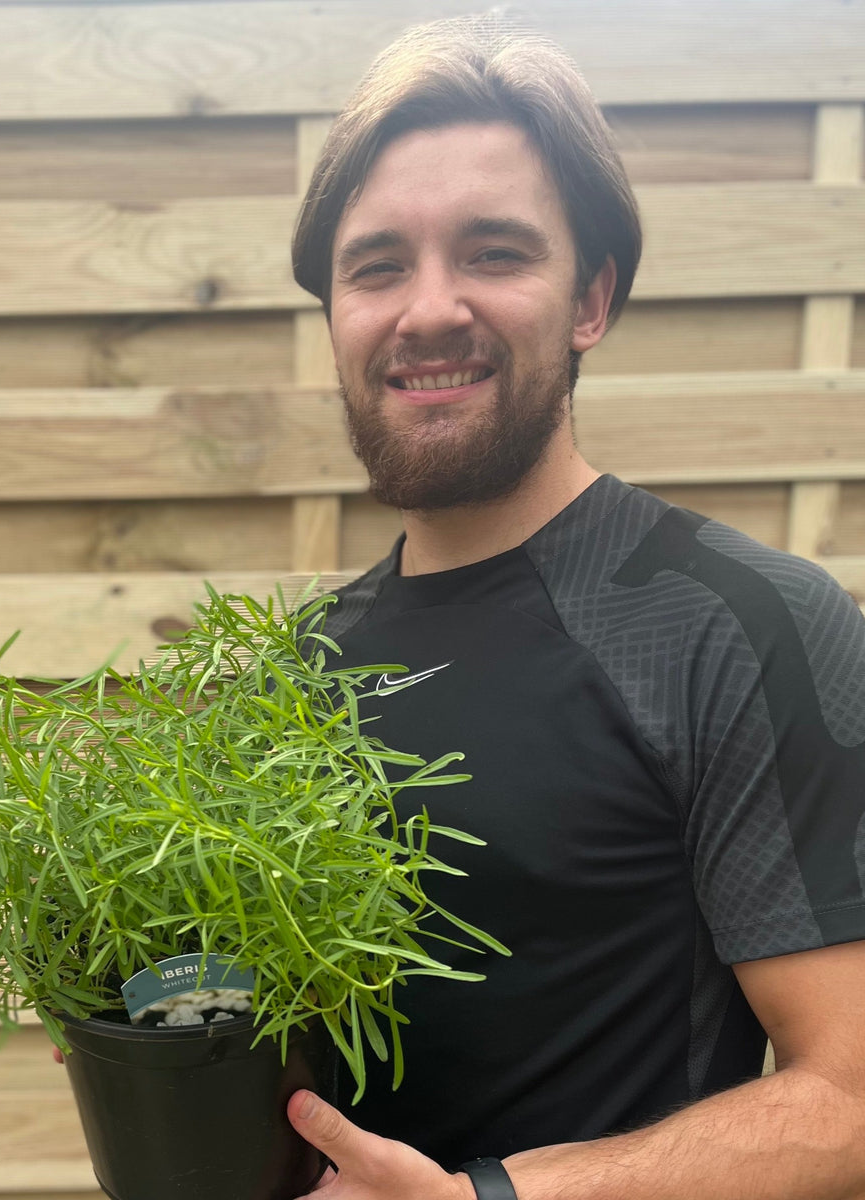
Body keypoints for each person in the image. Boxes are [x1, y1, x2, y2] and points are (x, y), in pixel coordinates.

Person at [281, 14, 865, 1200]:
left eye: (494, 253)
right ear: (336, 311)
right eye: (378, 264)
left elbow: (849, 1101)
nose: (428, 308)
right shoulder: (299, 665)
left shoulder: (737, 623)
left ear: (590, 297)